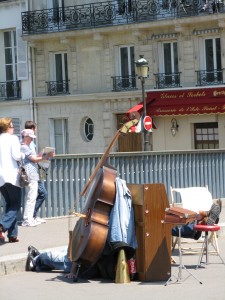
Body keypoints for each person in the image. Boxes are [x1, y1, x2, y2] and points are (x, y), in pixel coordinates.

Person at [20, 129, 53, 227]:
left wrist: (43, 153)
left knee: (31, 197)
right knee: (31, 197)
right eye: (30, 138)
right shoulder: (24, 147)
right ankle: (27, 219)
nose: (31, 140)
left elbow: (34, 157)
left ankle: (29, 218)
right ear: (26, 137)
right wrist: (46, 156)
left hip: (31, 174)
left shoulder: (25, 147)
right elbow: (34, 160)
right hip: (30, 174)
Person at [0, 117, 24, 243]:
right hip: (11, 176)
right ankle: (2, 225)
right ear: (7, 128)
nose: (13, 128)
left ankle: (12, 235)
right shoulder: (13, 139)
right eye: (12, 126)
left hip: (0, 178)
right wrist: (23, 154)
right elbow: (16, 155)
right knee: (15, 205)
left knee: (9, 204)